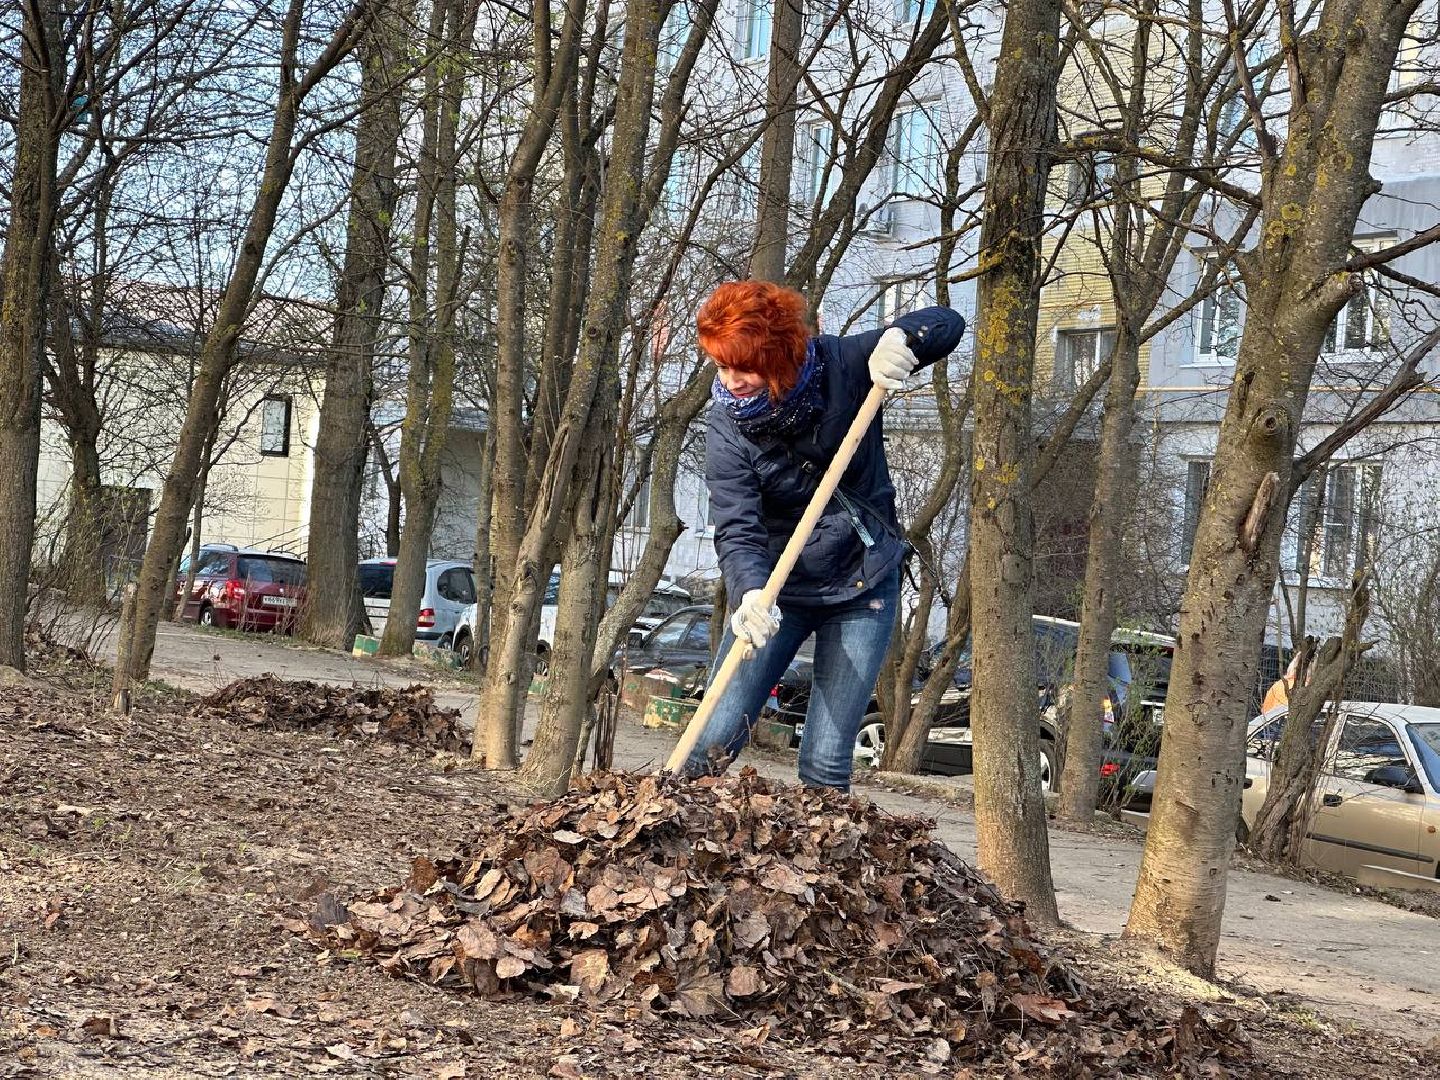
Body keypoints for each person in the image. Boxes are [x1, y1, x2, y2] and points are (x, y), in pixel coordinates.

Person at [686, 280, 966, 790]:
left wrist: (903, 339)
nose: (732, 381)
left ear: (780, 354)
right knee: (710, 742)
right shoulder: (727, 428)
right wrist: (749, 592)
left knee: (825, 763)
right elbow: (736, 522)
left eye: (744, 365)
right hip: (775, 593)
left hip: (862, 587)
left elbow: (947, 323)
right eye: (721, 366)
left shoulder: (842, 365)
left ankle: (819, 866)